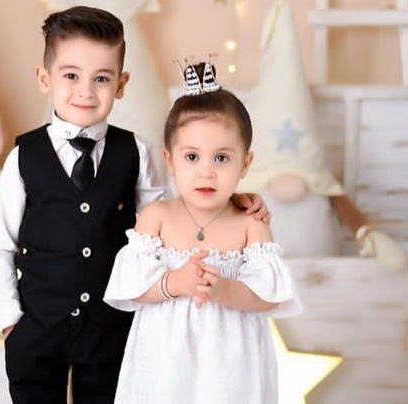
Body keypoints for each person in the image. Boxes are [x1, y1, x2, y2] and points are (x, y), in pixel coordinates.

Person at [0, 6, 269, 404]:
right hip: (37, 329)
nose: (86, 91)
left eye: (101, 78)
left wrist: (229, 202)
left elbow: (169, 223)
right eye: (71, 76)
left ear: (121, 84)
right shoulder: (24, 157)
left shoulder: (135, 151)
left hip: (111, 330)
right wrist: (10, 322)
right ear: (45, 79)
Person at [103, 60, 303, 404]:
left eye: (221, 158)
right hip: (165, 362)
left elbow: (269, 296)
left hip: (230, 363)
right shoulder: (157, 217)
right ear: (170, 160)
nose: (206, 172)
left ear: (245, 164)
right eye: (192, 157)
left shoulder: (250, 223)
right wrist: (175, 283)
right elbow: (131, 288)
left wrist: (224, 289)